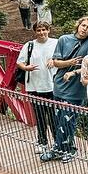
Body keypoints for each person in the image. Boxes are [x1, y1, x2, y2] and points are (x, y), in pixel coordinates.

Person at [42, 16, 88, 163]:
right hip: (60, 85)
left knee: (68, 119)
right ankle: (66, 147)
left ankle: (62, 150)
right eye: (83, 25)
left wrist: (75, 71)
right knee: (58, 119)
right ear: (78, 25)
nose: (84, 29)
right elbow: (56, 62)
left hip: (76, 89)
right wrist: (70, 63)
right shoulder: (64, 39)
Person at [14, 21, 56, 152]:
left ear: (48, 30)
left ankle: (57, 142)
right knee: (40, 116)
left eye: (44, 29)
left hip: (52, 85)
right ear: (35, 32)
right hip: (34, 86)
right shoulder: (29, 45)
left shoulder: (56, 43)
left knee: (53, 116)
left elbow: (63, 57)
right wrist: (26, 67)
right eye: (39, 30)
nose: (42, 32)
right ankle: (42, 142)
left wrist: (54, 60)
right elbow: (19, 62)